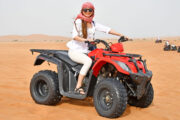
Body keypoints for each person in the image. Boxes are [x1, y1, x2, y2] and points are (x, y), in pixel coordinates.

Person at [66, 2, 128, 94]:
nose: (87, 12)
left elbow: (107, 29)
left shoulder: (93, 23)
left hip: (86, 51)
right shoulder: (78, 22)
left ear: (93, 11)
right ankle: (78, 87)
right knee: (88, 62)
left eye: (90, 10)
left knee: (102, 59)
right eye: (85, 10)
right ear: (82, 11)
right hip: (76, 51)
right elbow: (74, 36)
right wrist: (86, 40)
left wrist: (120, 34)